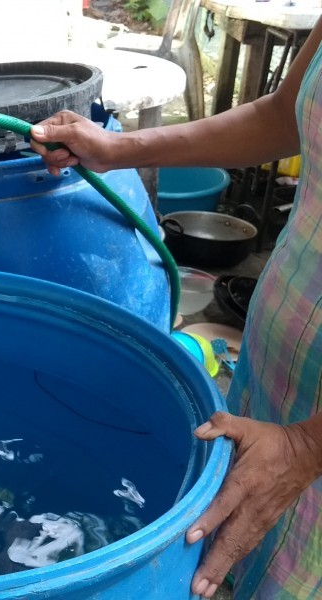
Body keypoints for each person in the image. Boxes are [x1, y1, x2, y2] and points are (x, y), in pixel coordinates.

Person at [29, 19, 322, 600]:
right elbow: (285, 114)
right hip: (282, 361)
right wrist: (117, 150)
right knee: (241, 547)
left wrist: (308, 446)